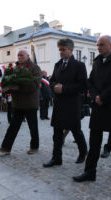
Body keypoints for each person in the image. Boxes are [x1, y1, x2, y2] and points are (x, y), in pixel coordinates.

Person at [73, 35, 111, 182]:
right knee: (94, 142)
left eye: (101, 45)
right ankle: (89, 172)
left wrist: (103, 97)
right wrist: (95, 96)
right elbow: (91, 82)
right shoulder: (97, 61)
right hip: (99, 107)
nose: (98, 48)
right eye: (97, 45)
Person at [43, 38, 87, 168]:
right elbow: (52, 81)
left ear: (71, 50)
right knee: (57, 133)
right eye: (60, 49)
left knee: (76, 131)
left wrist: (64, 89)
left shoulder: (79, 65)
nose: (61, 52)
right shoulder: (57, 65)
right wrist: (54, 86)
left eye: (63, 49)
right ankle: (56, 158)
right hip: (59, 104)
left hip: (72, 104)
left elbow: (83, 86)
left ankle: (83, 152)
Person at [0, 50, 41, 155]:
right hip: (18, 104)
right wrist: (5, 88)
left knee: (33, 127)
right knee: (13, 127)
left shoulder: (34, 68)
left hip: (30, 103)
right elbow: (11, 83)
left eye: (22, 55)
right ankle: (6, 147)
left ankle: (34, 147)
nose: (19, 57)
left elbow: (34, 85)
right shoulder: (14, 69)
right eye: (18, 55)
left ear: (28, 56)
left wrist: (17, 87)